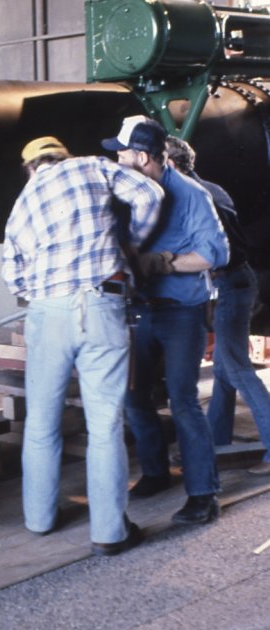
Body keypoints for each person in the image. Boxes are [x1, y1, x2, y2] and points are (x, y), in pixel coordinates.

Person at [1, 135, 164, 555]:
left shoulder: (22, 204)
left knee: (39, 423)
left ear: (30, 167)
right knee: (105, 425)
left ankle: (39, 519)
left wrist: (42, 289)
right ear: (63, 156)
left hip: (47, 312)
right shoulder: (90, 166)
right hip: (101, 302)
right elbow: (149, 193)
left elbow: (12, 277)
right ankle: (110, 533)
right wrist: (133, 245)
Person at [102, 115, 229, 525]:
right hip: (140, 310)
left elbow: (215, 256)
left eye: (122, 153)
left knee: (183, 399)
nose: (117, 160)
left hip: (180, 313)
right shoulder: (125, 189)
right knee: (135, 397)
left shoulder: (191, 196)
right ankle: (156, 472)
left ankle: (203, 494)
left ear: (142, 157)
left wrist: (165, 262)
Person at [167, 135, 270, 476]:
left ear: (173, 163)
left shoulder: (194, 197)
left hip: (230, 285)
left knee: (238, 368)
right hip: (238, 282)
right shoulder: (211, 188)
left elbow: (210, 254)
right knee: (226, 372)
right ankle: (216, 442)